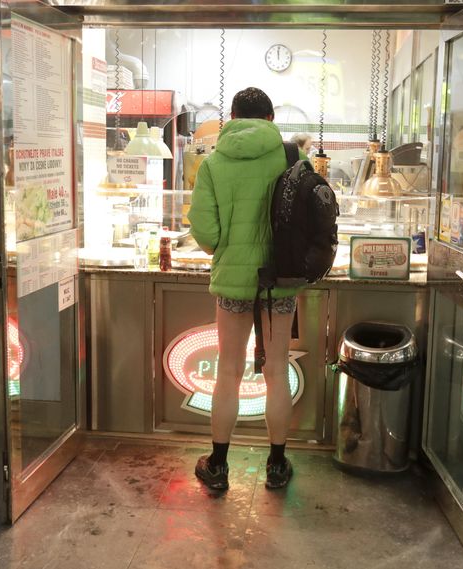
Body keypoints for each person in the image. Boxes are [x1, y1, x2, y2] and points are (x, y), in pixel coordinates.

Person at [188, 87, 302, 491]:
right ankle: (275, 465)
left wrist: (227, 248)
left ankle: (218, 465)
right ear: (271, 118)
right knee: (275, 370)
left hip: (234, 282)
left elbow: (204, 230)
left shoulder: (214, 162)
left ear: (232, 116)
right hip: (280, 280)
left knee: (229, 371)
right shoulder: (290, 156)